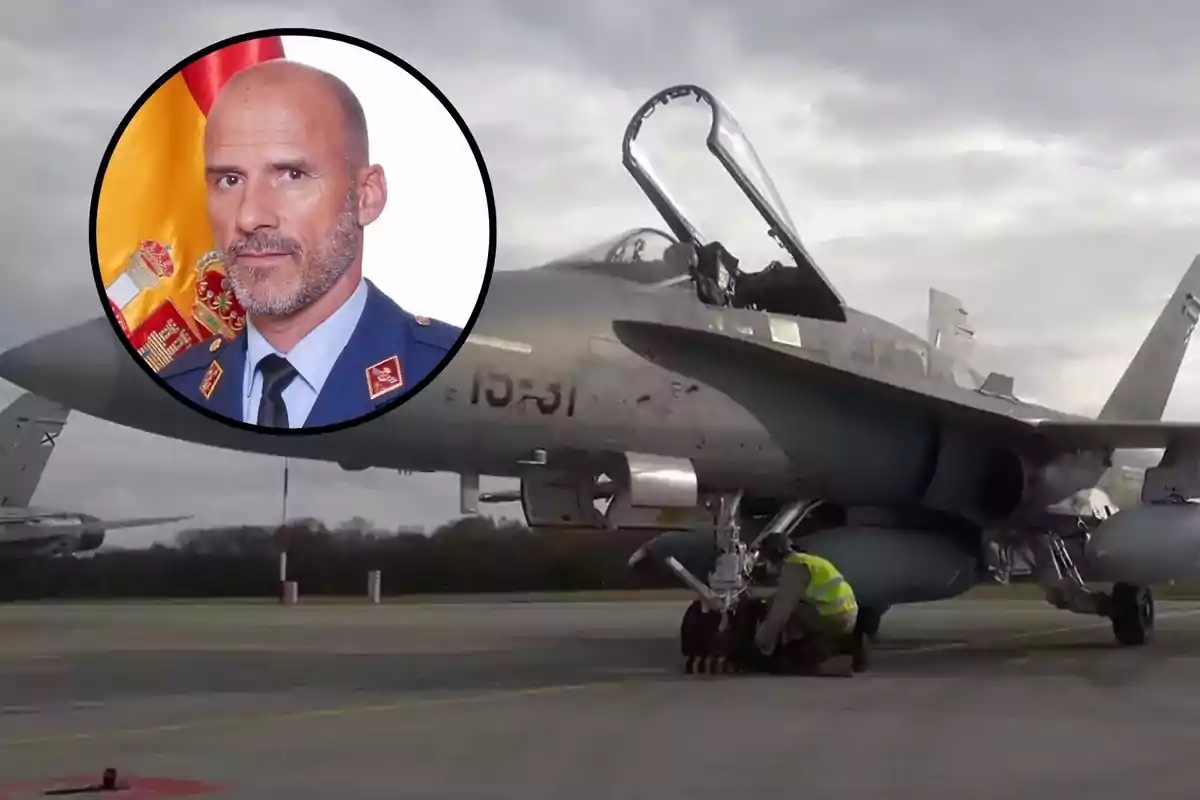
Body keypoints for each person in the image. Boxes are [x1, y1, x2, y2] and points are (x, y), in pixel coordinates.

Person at [158, 58, 462, 429]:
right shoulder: (177, 390)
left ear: (366, 197)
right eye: (230, 180)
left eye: (292, 175)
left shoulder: (450, 376)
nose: (250, 217)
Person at [753, 536, 859, 676]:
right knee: (782, 602)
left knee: (781, 608)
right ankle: (836, 647)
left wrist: (762, 640)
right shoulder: (809, 560)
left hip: (831, 617)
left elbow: (781, 611)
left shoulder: (794, 567)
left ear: (774, 554)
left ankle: (793, 653)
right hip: (846, 613)